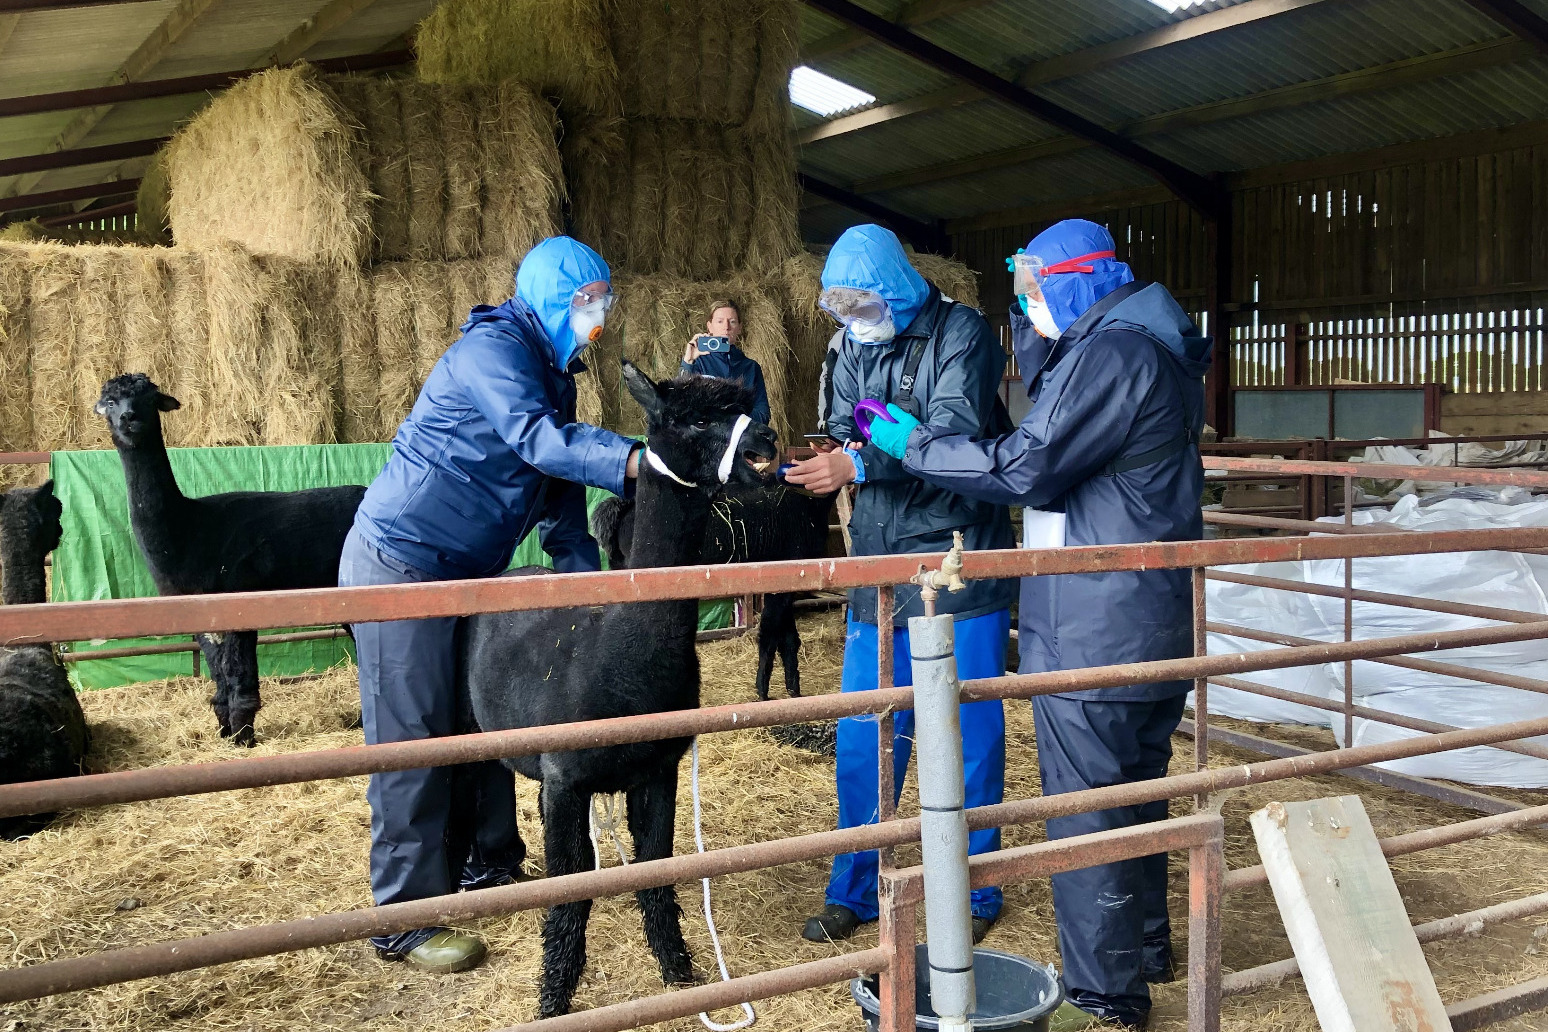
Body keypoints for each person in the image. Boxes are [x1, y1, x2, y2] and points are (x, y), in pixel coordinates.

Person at [861, 219, 1212, 1031]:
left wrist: (916, 444)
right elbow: (1054, 389)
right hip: (1143, 613)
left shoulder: (1117, 355)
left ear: (1077, 283)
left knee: (1089, 807)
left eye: (1035, 292)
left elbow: (1022, 463)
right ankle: (1144, 947)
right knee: (1137, 793)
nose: (1029, 310)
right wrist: (1029, 308)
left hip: (1099, 623)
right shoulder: (1138, 342)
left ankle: (1104, 997)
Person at [340, 235, 645, 975]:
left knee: (476, 719)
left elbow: (561, 501)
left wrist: (587, 595)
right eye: (587, 300)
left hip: (467, 570)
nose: (598, 314)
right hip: (399, 565)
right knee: (415, 741)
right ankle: (402, 921)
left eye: (602, 299)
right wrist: (637, 462)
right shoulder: (493, 354)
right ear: (549, 297)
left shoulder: (553, 374)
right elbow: (540, 443)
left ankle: (491, 862)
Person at [782, 224, 1015, 945]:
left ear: (895, 285)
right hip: (878, 561)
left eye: (864, 304)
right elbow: (847, 422)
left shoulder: (962, 334)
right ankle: (857, 886)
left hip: (955, 556)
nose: (855, 321)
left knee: (966, 730)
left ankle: (972, 892)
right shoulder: (849, 343)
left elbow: (951, 435)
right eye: (843, 311)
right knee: (867, 733)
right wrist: (837, 455)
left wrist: (860, 462)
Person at [680, 299, 770, 425]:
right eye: (720, 321)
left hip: (741, 439)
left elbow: (763, 415)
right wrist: (688, 362)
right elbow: (681, 406)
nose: (726, 327)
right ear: (709, 326)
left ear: (739, 328)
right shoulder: (697, 362)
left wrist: (724, 416)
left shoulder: (751, 367)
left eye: (732, 322)